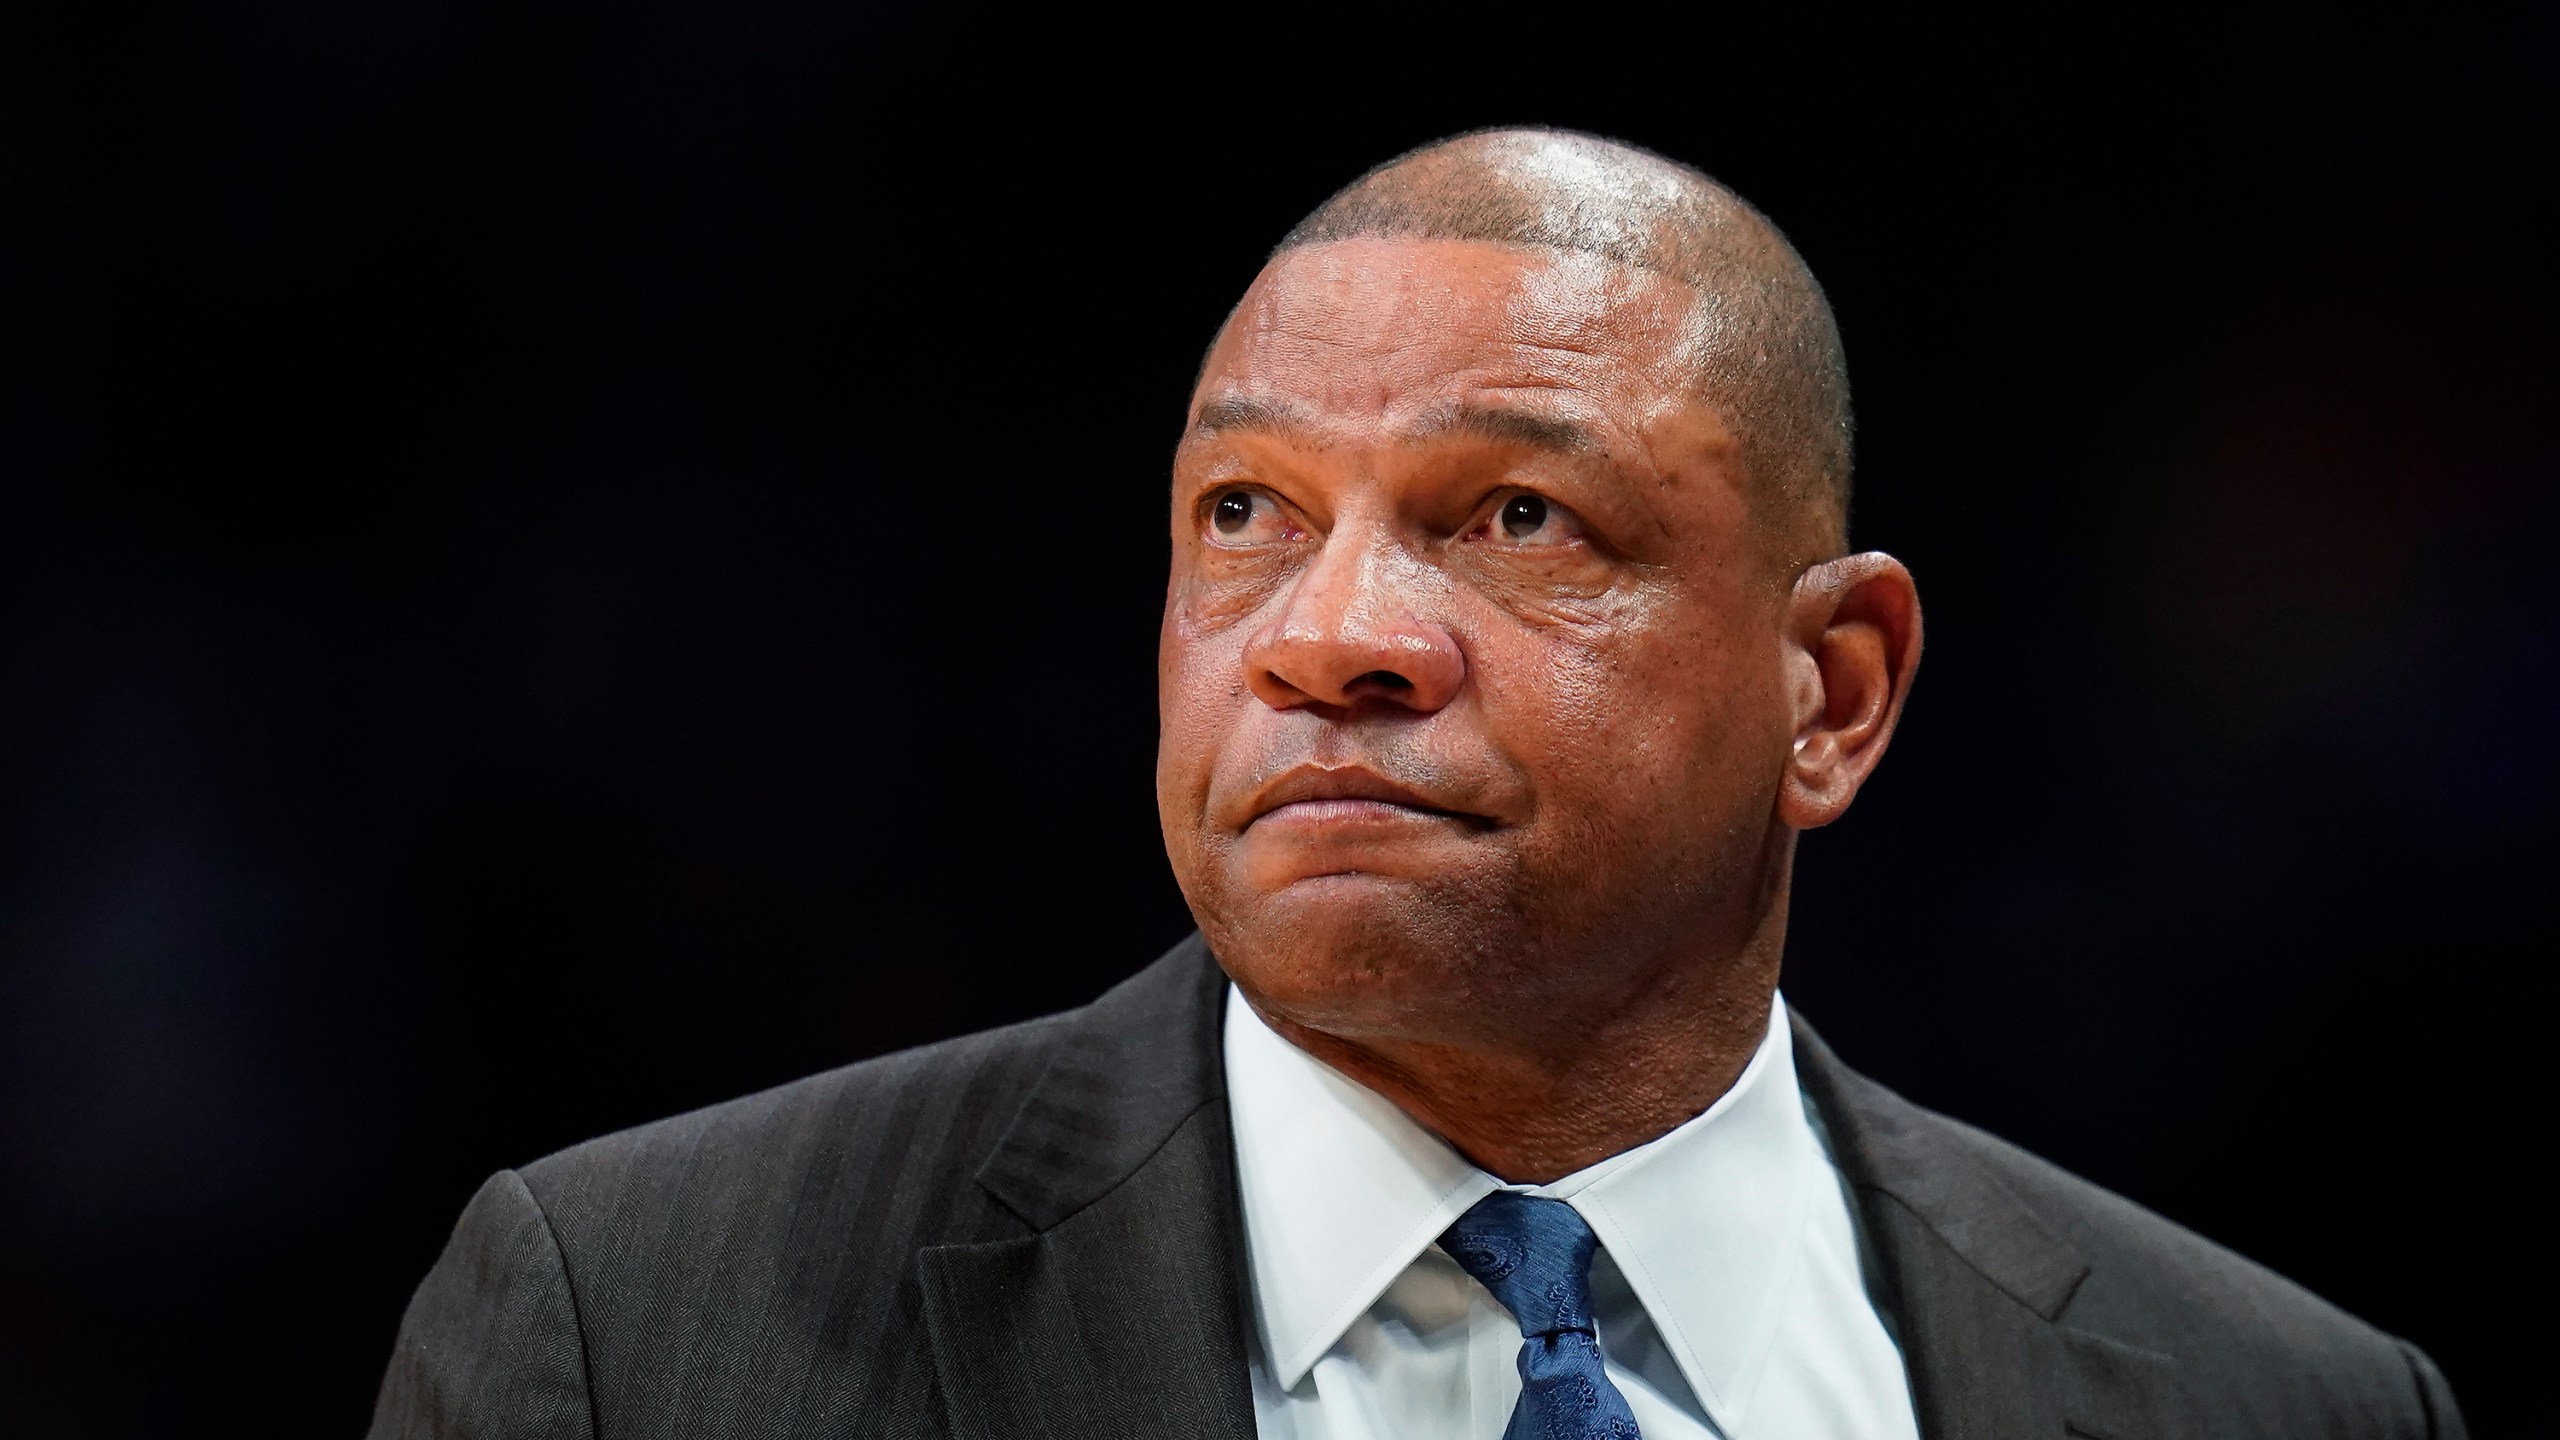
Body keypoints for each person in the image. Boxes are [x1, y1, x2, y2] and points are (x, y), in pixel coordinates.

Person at [369, 128, 2465, 1439]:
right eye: (1245, 512)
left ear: (1828, 692)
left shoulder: (2270, 1401)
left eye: (1518, 518)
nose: (1324, 631)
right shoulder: (634, 1334)